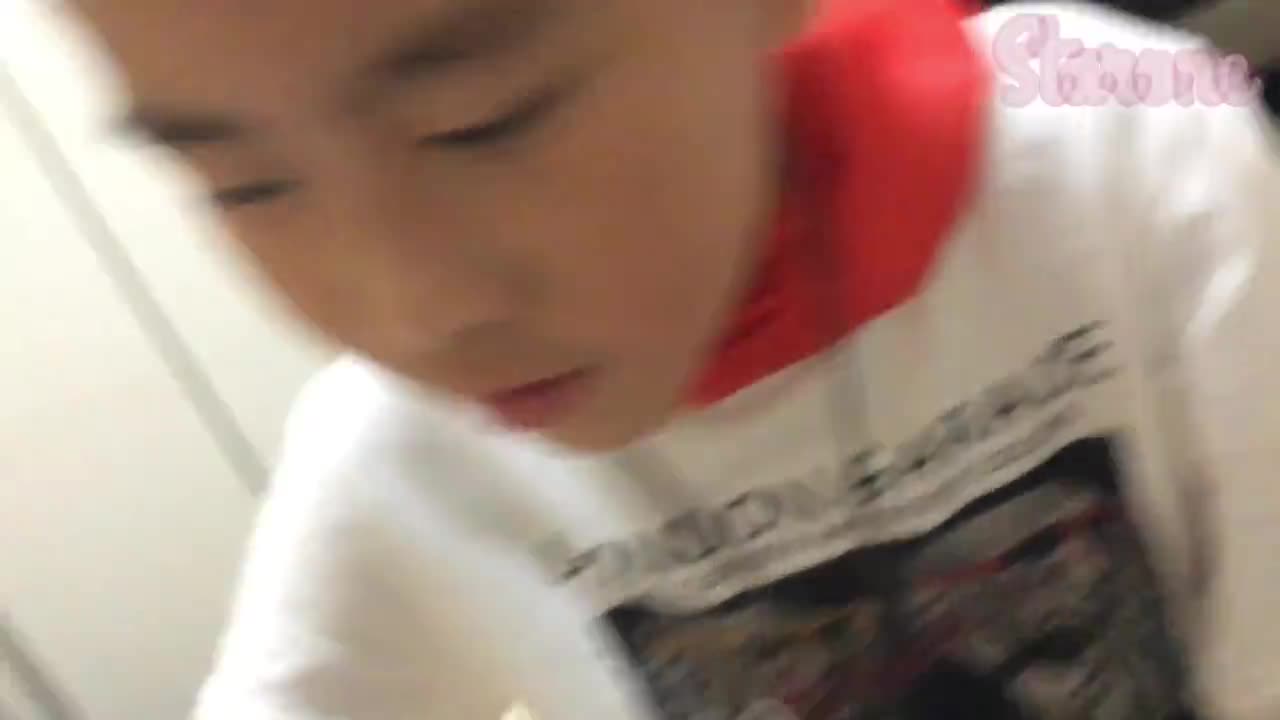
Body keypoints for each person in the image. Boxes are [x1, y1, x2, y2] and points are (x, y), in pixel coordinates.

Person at [72, 0, 1279, 717]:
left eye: (482, 119)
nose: (418, 313)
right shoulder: (399, 458)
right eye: (243, 182)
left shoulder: (1125, 170)